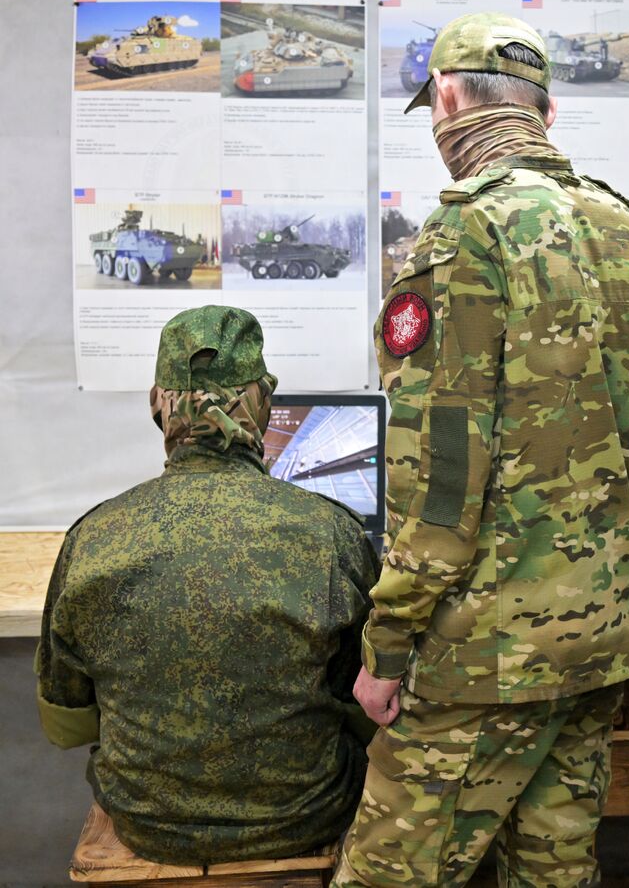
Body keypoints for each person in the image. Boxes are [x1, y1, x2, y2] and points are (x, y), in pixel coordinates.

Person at [333, 12, 629, 887]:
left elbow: (438, 485)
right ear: (546, 114)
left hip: (481, 652)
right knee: (555, 872)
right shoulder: (625, 228)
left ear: (446, 101)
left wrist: (388, 648)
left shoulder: (461, 237)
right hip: (599, 634)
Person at [35, 306, 378, 865]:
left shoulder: (92, 538)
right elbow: (363, 700)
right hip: (305, 814)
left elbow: (66, 722)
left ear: (157, 405)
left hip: (147, 822)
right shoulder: (332, 534)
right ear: (264, 403)